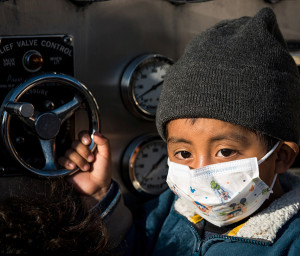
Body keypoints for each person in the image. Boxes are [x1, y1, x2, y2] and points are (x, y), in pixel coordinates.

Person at [59, 7, 300, 255]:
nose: (200, 171)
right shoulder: (168, 211)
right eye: (184, 154)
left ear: (281, 156)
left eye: (225, 151)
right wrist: (98, 195)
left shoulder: (292, 241)